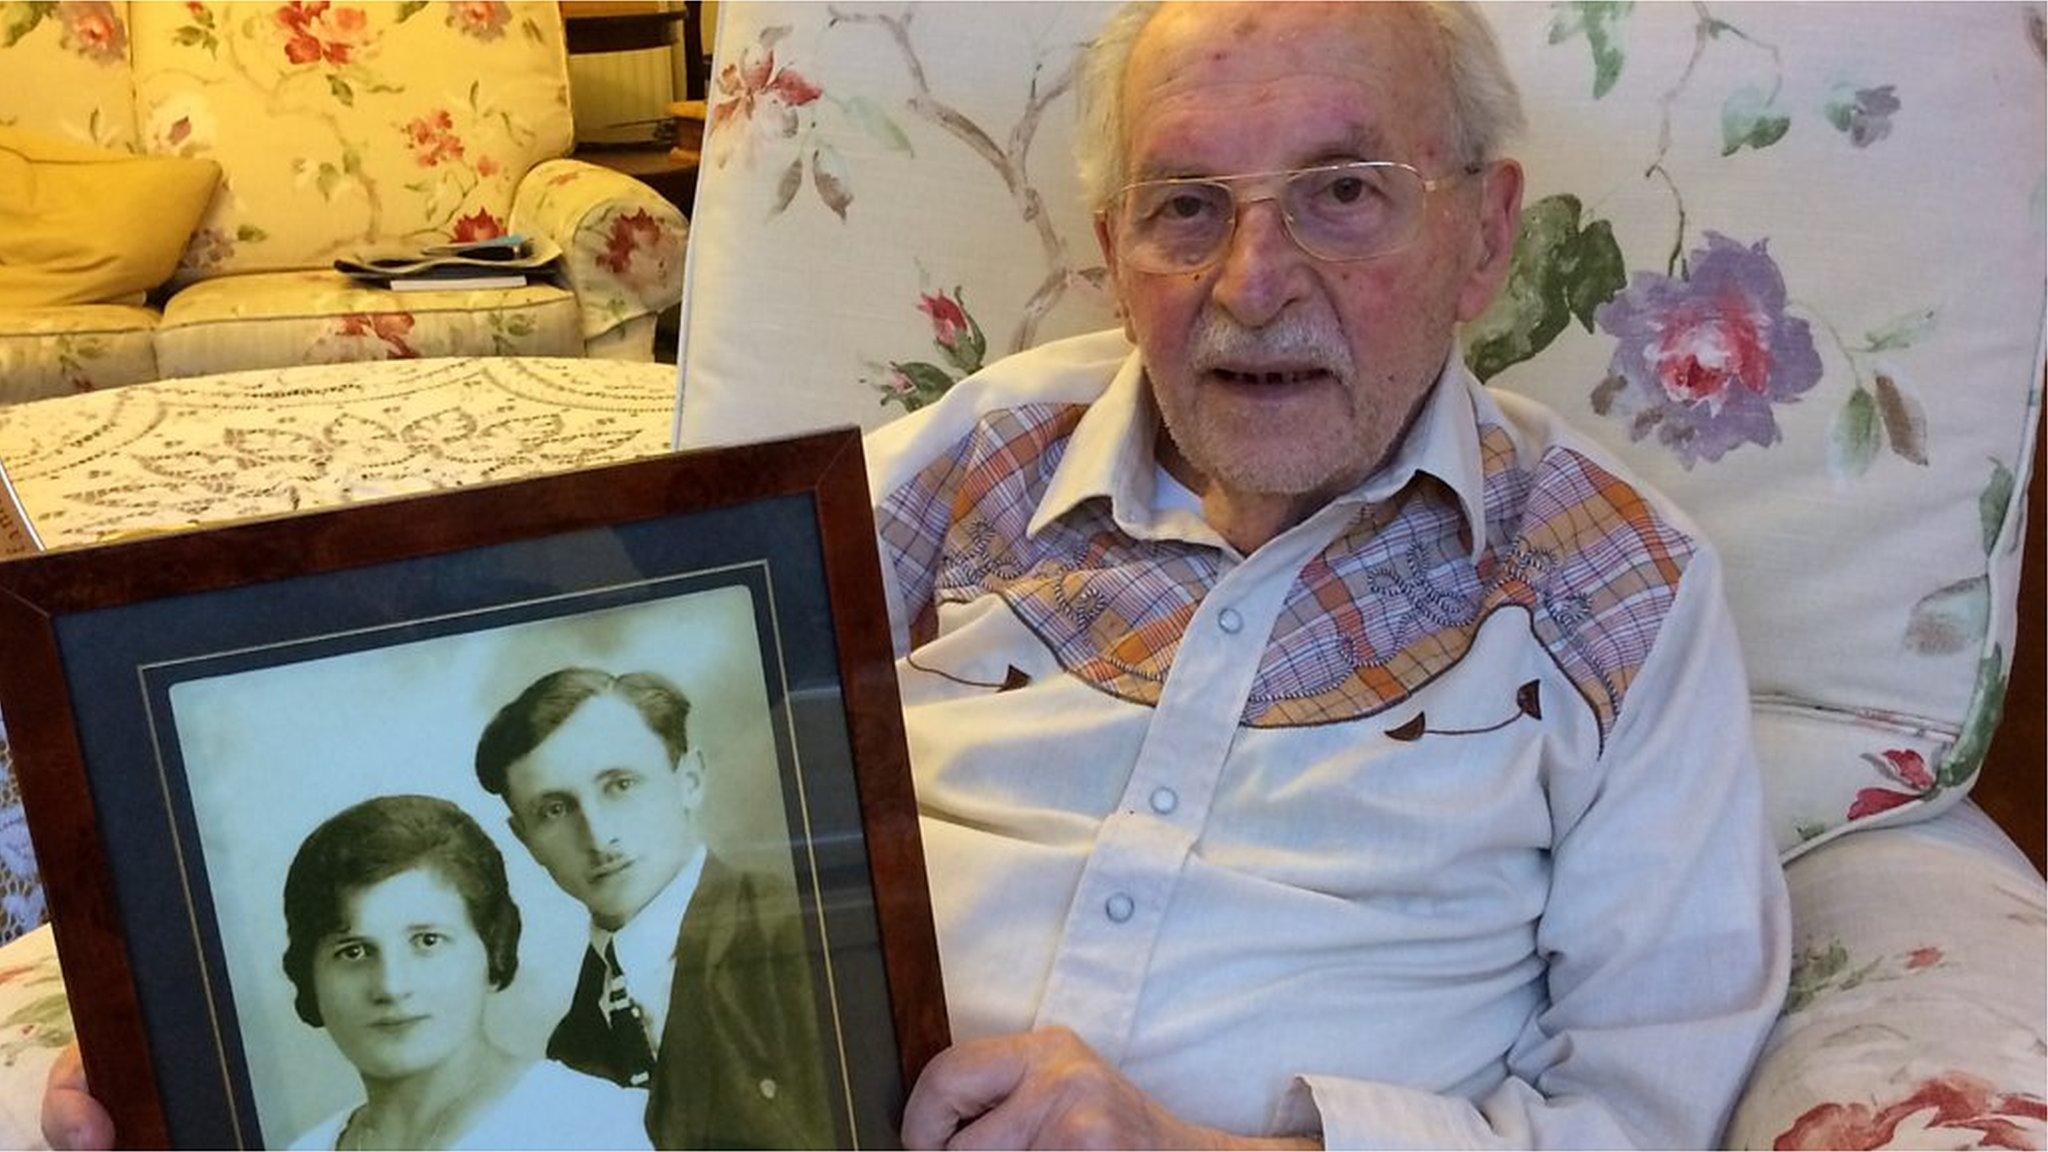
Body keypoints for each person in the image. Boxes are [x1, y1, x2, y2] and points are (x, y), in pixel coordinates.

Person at [45, 3, 1789, 1149]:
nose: (1255, 281)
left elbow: (1647, 1101)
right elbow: (562, 676)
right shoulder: (973, 461)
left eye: (1342, 193)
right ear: (1110, 249)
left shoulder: (1610, 586)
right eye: (1185, 207)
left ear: (1481, 228)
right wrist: (193, 1047)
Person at [471, 667, 836, 1149]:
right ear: (526, 840)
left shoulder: (804, 938)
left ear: (689, 780)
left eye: (620, 785)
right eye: (554, 810)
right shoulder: (572, 1046)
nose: (599, 837)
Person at [277, 794, 649, 1151]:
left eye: (427, 941)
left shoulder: (594, 1127)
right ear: (309, 977)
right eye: (353, 952)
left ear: (492, 950)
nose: (391, 986)